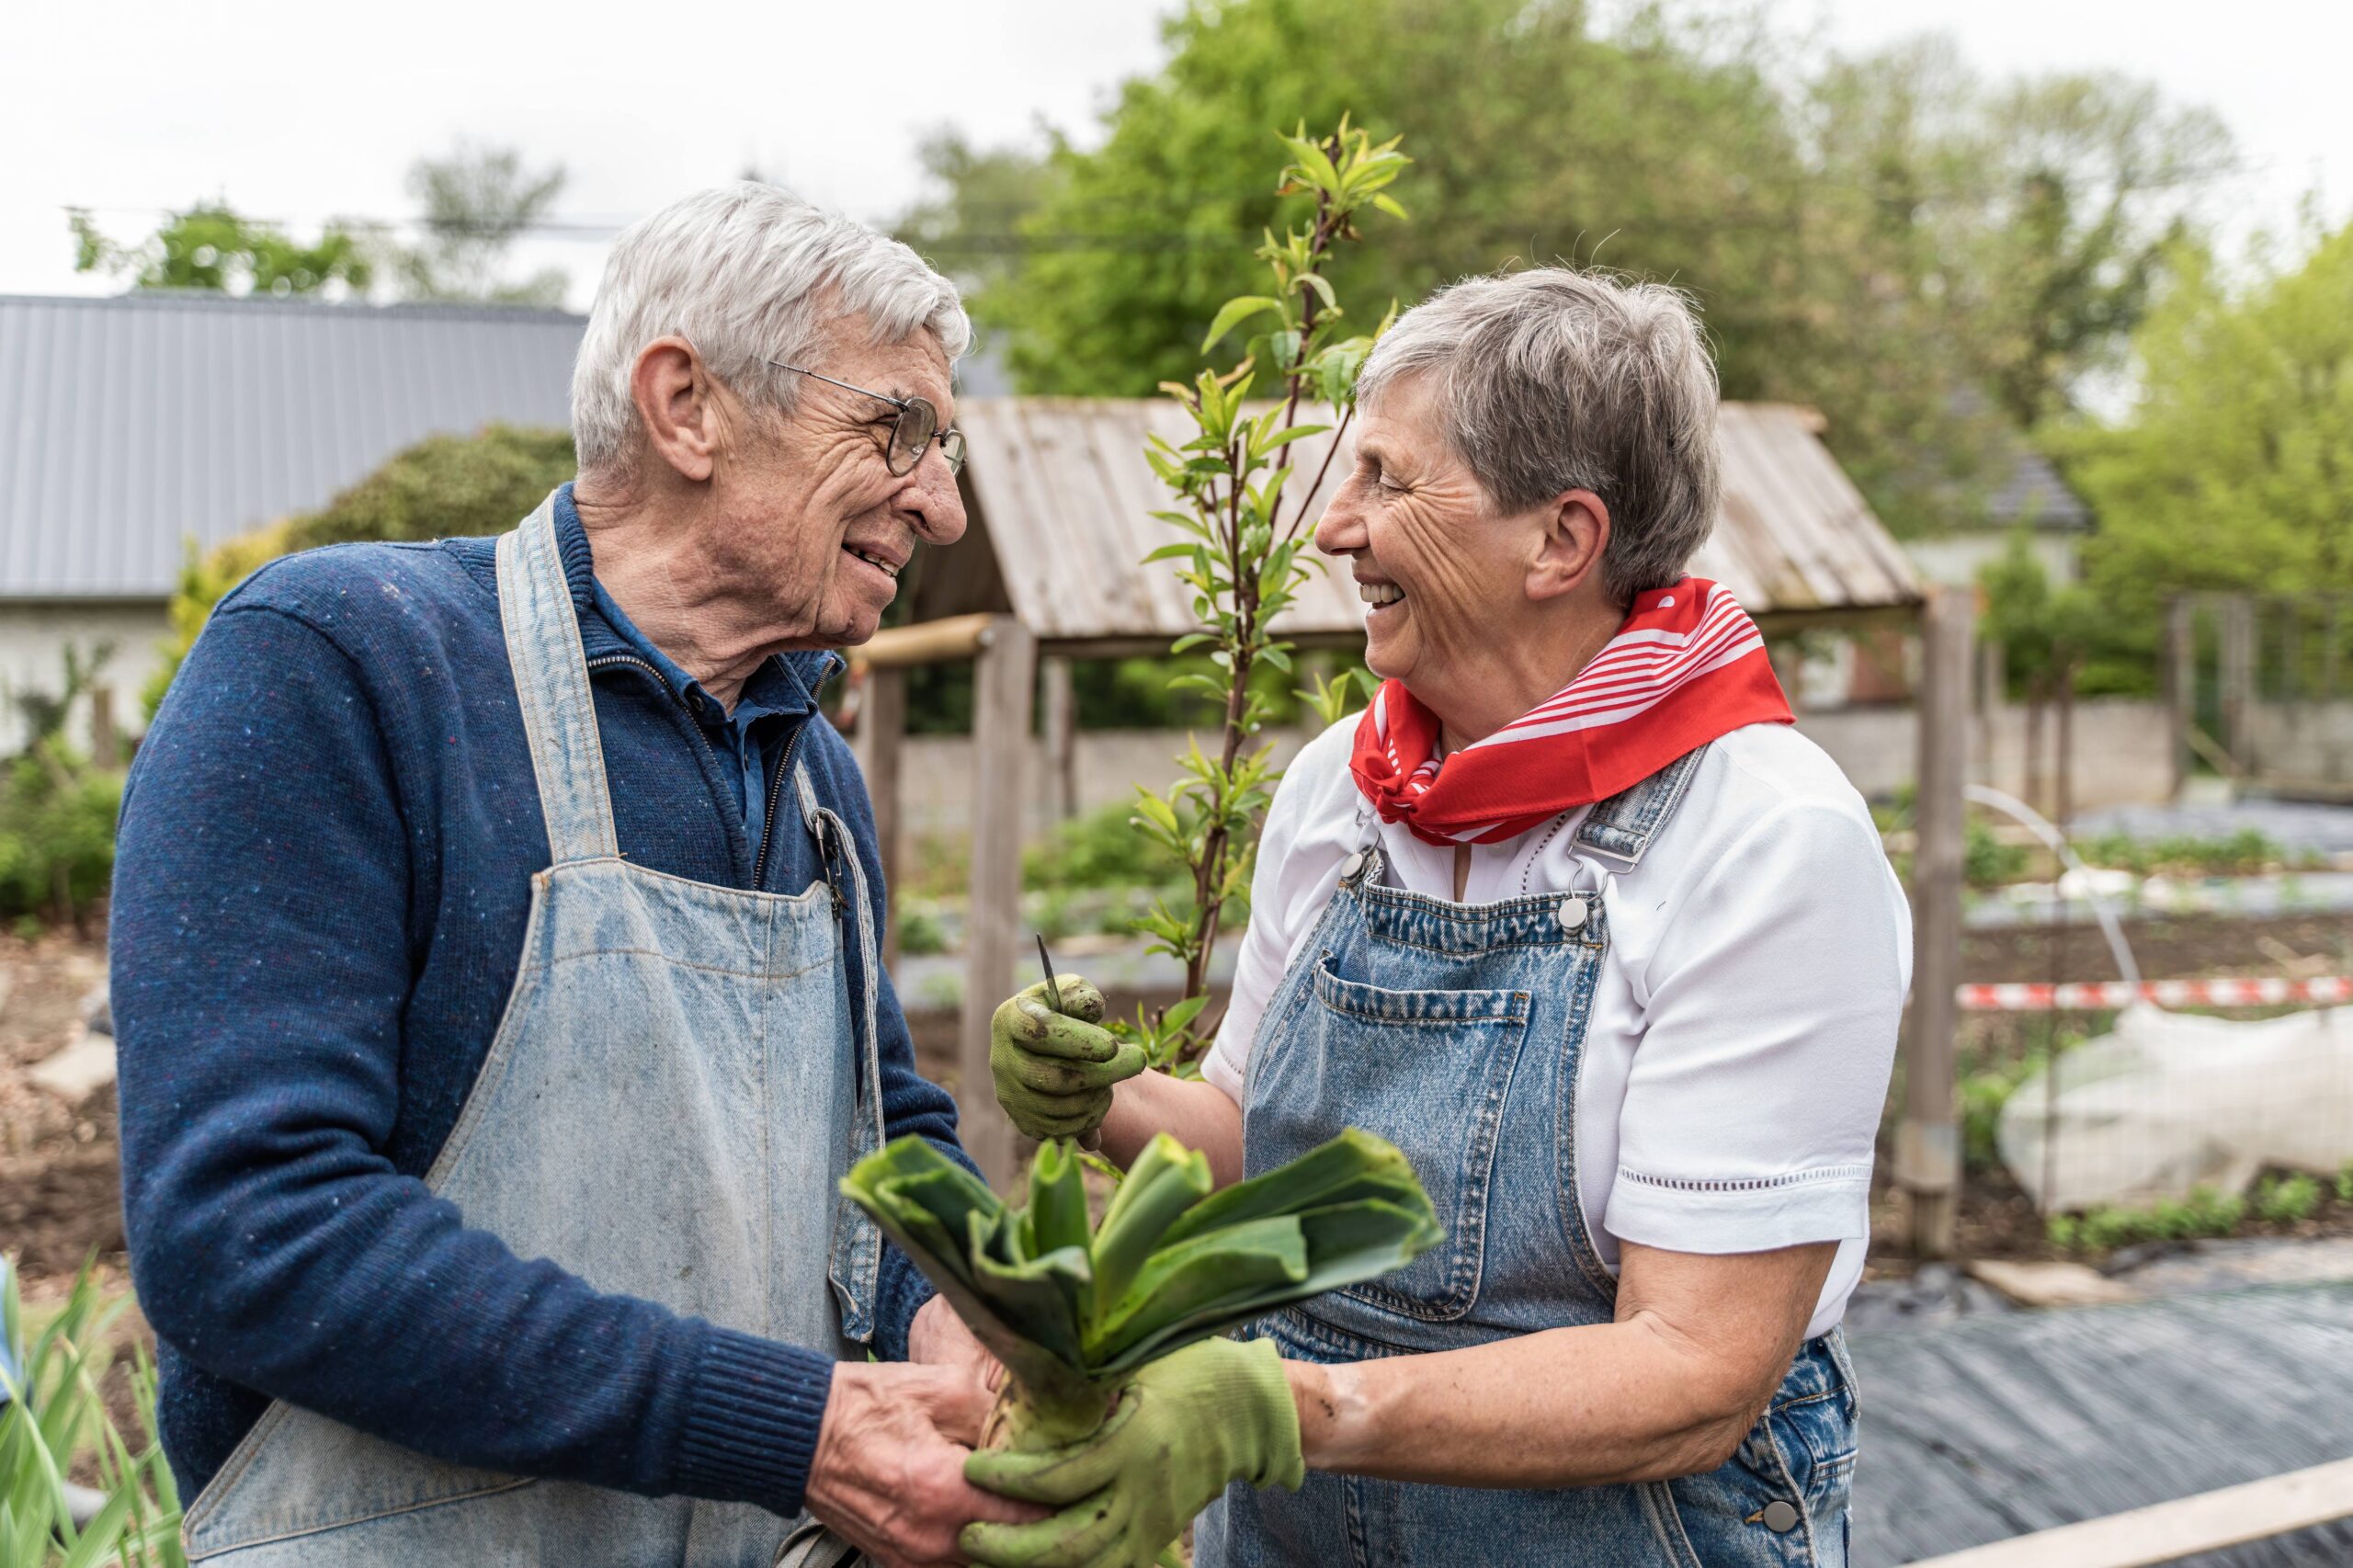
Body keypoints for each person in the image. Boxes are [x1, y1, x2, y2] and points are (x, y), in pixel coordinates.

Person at [111, 183, 1024, 1568]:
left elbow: (882, 1137)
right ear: (687, 405)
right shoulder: (345, 665)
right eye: (898, 428)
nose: (945, 507)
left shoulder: (812, 778)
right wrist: (798, 1430)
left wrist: (954, 1311)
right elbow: (247, 1227)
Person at [972, 267, 1909, 1568]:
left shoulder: (1764, 839)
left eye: (1387, 481)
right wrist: (1106, 1098)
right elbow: (1257, 1144)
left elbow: (1696, 1370)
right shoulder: (1339, 794)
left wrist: (1278, 1404)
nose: (1333, 527)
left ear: (1560, 541)